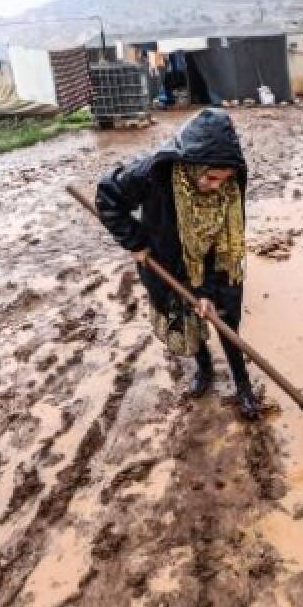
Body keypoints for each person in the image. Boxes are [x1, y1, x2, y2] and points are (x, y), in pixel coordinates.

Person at [96, 108, 261, 420]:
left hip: (217, 263)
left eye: (224, 180)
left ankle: (243, 386)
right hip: (166, 262)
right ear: (193, 163)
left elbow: (225, 241)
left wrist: (208, 290)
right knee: (185, 317)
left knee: (226, 322)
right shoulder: (153, 172)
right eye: (211, 178)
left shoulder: (230, 181)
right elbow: (108, 197)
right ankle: (205, 368)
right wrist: (136, 242)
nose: (216, 186)